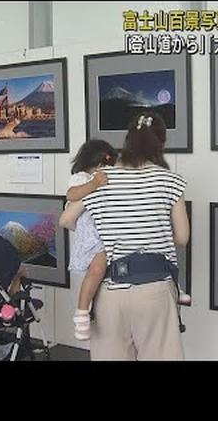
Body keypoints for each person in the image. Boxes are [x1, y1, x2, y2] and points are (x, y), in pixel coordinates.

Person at [81, 113, 190, 361]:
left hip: (109, 289)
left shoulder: (100, 180)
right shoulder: (171, 180)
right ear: (162, 143)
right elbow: (183, 237)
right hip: (155, 289)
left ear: (127, 141)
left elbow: (73, 222)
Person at [58, 139, 117, 341]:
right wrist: (94, 184)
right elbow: (71, 195)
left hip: (103, 231)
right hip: (92, 235)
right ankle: (81, 312)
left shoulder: (106, 180)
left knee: (97, 274)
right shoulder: (80, 178)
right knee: (97, 271)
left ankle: (86, 309)